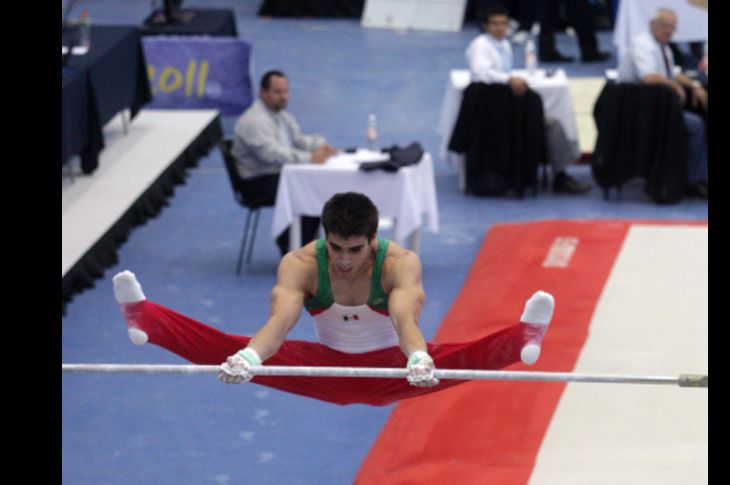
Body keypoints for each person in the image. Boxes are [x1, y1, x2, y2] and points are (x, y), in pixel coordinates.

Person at [113, 192, 556, 406]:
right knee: (229, 349)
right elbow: (281, 322)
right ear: (325, 237)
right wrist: (250, 357)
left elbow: (405, 320)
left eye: (355, 249)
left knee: (458, 358)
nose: (343, 260)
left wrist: (418, 358)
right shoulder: (302, 263)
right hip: (324, 365)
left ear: (373, 240)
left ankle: (523, 338)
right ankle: (146, 319)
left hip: (394, 367)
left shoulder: (399, 263)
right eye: (336, 247)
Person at [465, 5, 591, 194]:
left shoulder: (504, 45)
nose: (499, 28)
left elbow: (502, 72)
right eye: (494, 24)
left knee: (549, 119)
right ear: (486, 26)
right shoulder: (481, 45)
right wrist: (508, 80)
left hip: (508, 105)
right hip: (497, 110)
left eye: (503, 24)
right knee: (552, 124)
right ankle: (560, 175)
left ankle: (560, 171)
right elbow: (481, 73)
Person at [231, 70, 338, 255]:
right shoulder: (253, 121)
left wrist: (320, 145)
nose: (284, 97)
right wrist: (309, 158)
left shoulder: (280, 116)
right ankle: (289, 244)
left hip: (277, 174)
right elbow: (271, 155)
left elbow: (298, 140)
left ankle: (299, 242)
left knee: (317, 188)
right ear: (263, 92)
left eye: (285, 91)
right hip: (257, 183)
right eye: (277, 92)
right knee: (309, 192)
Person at [617, 8, 708, 198]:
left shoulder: (663, 46)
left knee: (699, 114)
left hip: (659, 106)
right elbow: (649, 77)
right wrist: (675, 86)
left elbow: (671, 72)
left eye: (673, 28)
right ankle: (693, 180)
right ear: (653, 25)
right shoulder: (642, 45)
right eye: (665, 27)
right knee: (696, 125)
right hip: (641, 111)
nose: (669, 32)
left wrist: (693, 84)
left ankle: (691, 175)